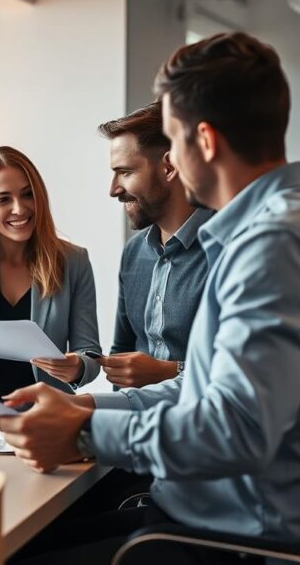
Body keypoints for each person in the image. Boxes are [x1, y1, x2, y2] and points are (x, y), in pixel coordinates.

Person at [0, 32, 300, 564]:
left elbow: (235, 427)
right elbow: (202, 394)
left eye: (175, 142)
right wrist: (85, 404)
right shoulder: (277, 229)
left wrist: (84, 430)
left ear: (203, 141)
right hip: (218, 512)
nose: (173, 161)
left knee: (9, 553)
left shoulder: (279, 245)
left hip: (245, 538)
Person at [0, 146, 101, 398]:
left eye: (27, 195)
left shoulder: (74, 261)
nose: (19, 209)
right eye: (3, 199)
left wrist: (77, 367)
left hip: (51, 414)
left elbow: (89, 353)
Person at [98, 102, 212, 391]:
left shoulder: (227, 250)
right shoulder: (134, 252)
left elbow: (241, 370)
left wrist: (169, 372)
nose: (113, 189)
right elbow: (122, 353)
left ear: (169, 167)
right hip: (139, 428)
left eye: (124, 172)